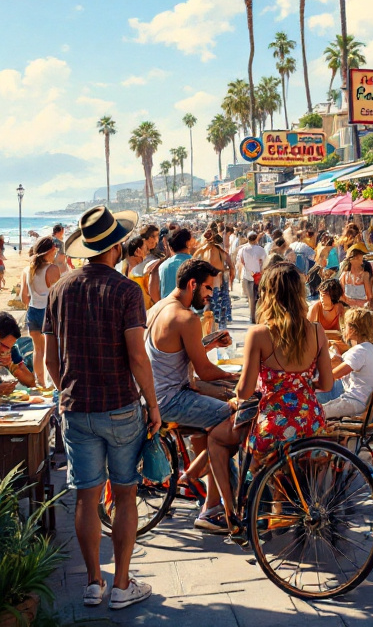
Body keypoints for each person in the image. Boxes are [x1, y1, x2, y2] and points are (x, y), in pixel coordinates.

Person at [43, 206, 158, 610]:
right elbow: (137, 358)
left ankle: (94, 583)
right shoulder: (127, 291)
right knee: (125, 495)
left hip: (77, 409)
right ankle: (123, 585)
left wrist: (70, 391)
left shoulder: (59, 290)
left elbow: (50, 362)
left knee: (85, 498)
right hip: (121, 406)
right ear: (117, 245)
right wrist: (153, 404)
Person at [206, 262, 333, 536]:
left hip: (274, 424)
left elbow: (244, 390)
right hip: (311, 422)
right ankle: (278, 506)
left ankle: (230, 514)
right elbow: (327, 383)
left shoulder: (260, 333)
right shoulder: (316, 330)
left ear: (268, 294)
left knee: (217, 438)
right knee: (284, 453)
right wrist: (300, 383)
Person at [145, 258, 236, 533]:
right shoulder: (187, 318)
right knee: (235, 416)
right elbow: (206, 372)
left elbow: (178, 354)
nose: (210, 296)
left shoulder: (159, 307)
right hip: (172, 399)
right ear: (192, 284)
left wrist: (209, 341)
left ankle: (212, 488)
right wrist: (239, 378)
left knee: (227, 404)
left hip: (158, 395)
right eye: (208, 289)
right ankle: (211, 505)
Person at [322, 307, 373, 418]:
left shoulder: (359, 351)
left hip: (356, 402)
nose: (343, 329)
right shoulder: (370, 349)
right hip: (364, 400)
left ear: (353, 330)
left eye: (345, 326)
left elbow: (335, 374)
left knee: (315, 412)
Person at [20, 236, 60, 387]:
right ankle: (53, 384)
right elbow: (57, 295)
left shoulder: (27, 270)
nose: (56, 251)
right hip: (47, 312)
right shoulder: (52, 269)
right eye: (54, 249)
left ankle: (41, 383)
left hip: (32, 311)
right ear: (49, 250)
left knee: (38, 349)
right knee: (52, 350)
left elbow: (25, 296)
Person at [0, 312, 34, 405]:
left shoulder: (7, 349)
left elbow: (30, 382)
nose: (6, 351)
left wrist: (11, 365)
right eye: (5, 346)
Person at [193, 231, 234, 330]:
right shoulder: (221, 252)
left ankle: (211, 330)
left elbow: (192, 261)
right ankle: (218, 330)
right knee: (219, 308)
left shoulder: (202, 250)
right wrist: (230, 281)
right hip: (218, 282)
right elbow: (232, 268)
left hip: (209, 283)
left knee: (210, 308)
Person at [236, 231, 266, 318]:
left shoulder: (243, 250)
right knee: (258, 297)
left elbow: (239, 262)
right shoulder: (260, 249)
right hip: (258, 276)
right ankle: (257, 315)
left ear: (247, 239)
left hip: (247, 276)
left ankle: (252, 316)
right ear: (256, 238)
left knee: (251, 297)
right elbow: (265, 261)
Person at [158, 228, 193, 300]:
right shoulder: (195, 263)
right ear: (187, 243)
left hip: (167, 308)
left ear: (170, 247)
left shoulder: (164, 266)